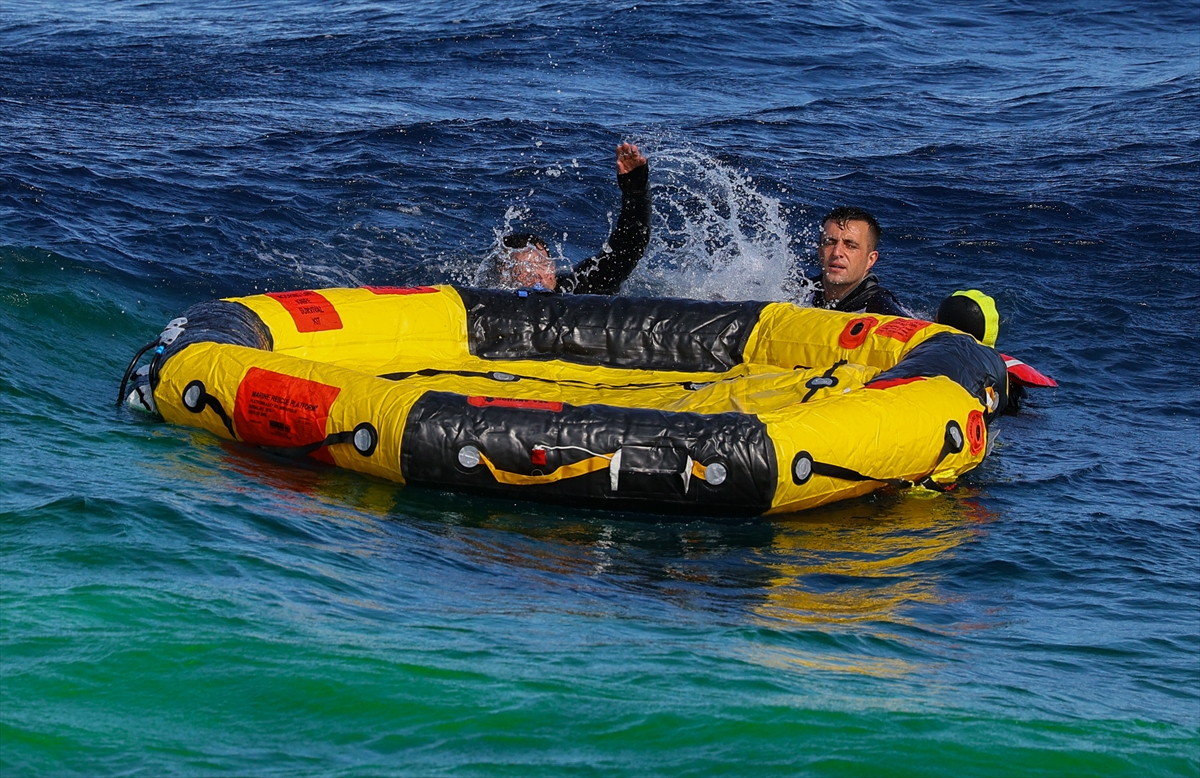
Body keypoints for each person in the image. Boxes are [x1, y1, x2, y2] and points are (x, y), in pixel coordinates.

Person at [491, 143, 651, 294]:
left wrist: (635, 191)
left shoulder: (581, 284)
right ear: (504, 277)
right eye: (524, 270)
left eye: (542, 264)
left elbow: (628, 247)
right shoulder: (492, 299)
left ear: (553, 267)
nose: (537, 277)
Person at [808, 206, 909, 316]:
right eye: (830, 243)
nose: (836, 253)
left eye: (850, 246)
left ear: (870, 260)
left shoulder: (880, 308)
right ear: (819, 252)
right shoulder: (801, 291)